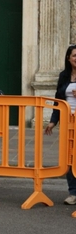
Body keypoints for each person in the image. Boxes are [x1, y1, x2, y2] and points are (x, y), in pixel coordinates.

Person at [45, 44, 76, 205]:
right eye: (75, 56)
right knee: (70, 158)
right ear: (68, 58)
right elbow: (58, 100)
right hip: (68, 123)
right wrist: (52, 121)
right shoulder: (64, 76)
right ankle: (73, 193)